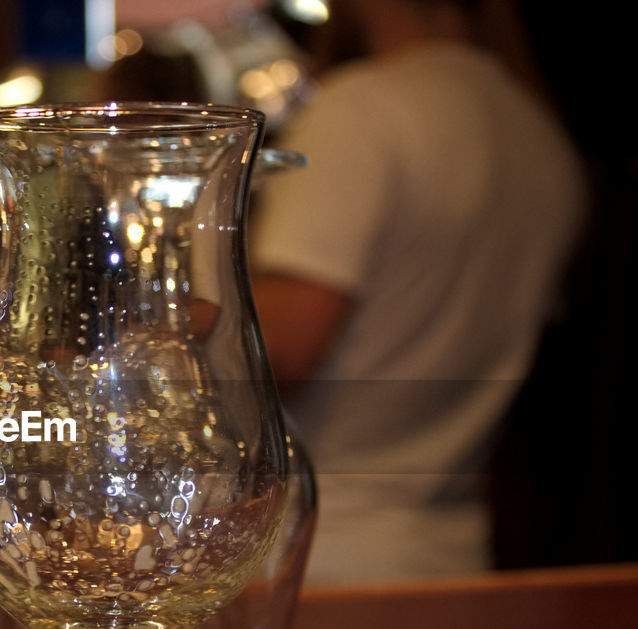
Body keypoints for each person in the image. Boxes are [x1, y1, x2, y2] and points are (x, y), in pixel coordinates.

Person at [250, 0, 586, 586]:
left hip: (322, 561)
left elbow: (282, 352)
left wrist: (142, 338)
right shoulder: (537, 126)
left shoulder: (362, 111)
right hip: (450, 553)